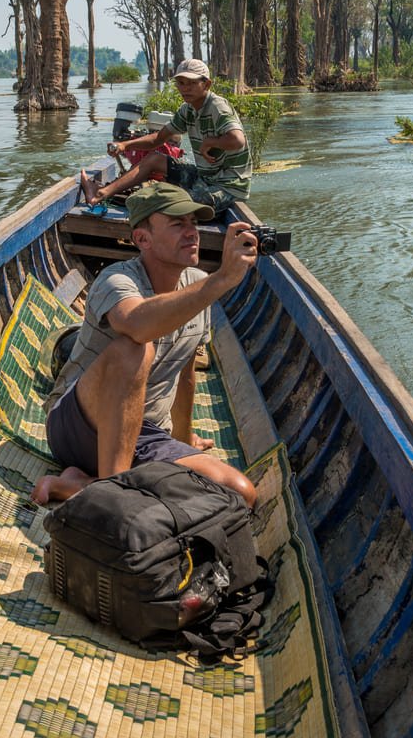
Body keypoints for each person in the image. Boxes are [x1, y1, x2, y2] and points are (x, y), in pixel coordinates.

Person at [32, 181, 259, 507]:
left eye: (194, 223)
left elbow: (186, 373)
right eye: (177, 224)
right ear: (142, 239)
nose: (192, 232)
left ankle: (85, 485)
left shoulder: (196, 285)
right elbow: (136, 324)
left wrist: (182, 440)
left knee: (239, 493)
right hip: (78, 424)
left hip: (144, 432)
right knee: (134, 350)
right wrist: (221, 279)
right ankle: (111, 493)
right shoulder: (117, 279)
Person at [82, 59, 249, 211]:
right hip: (204, 177)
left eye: (191, 83)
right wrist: (125, 145)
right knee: (154, 158)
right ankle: (100, 194)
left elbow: (237, 140)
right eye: (181, 83)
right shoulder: (187, 109)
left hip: (228, 187)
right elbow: (158, 139)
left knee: (174, 205)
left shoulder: (217, 107)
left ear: (206, 85)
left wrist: (209, 142)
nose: (185, 88)